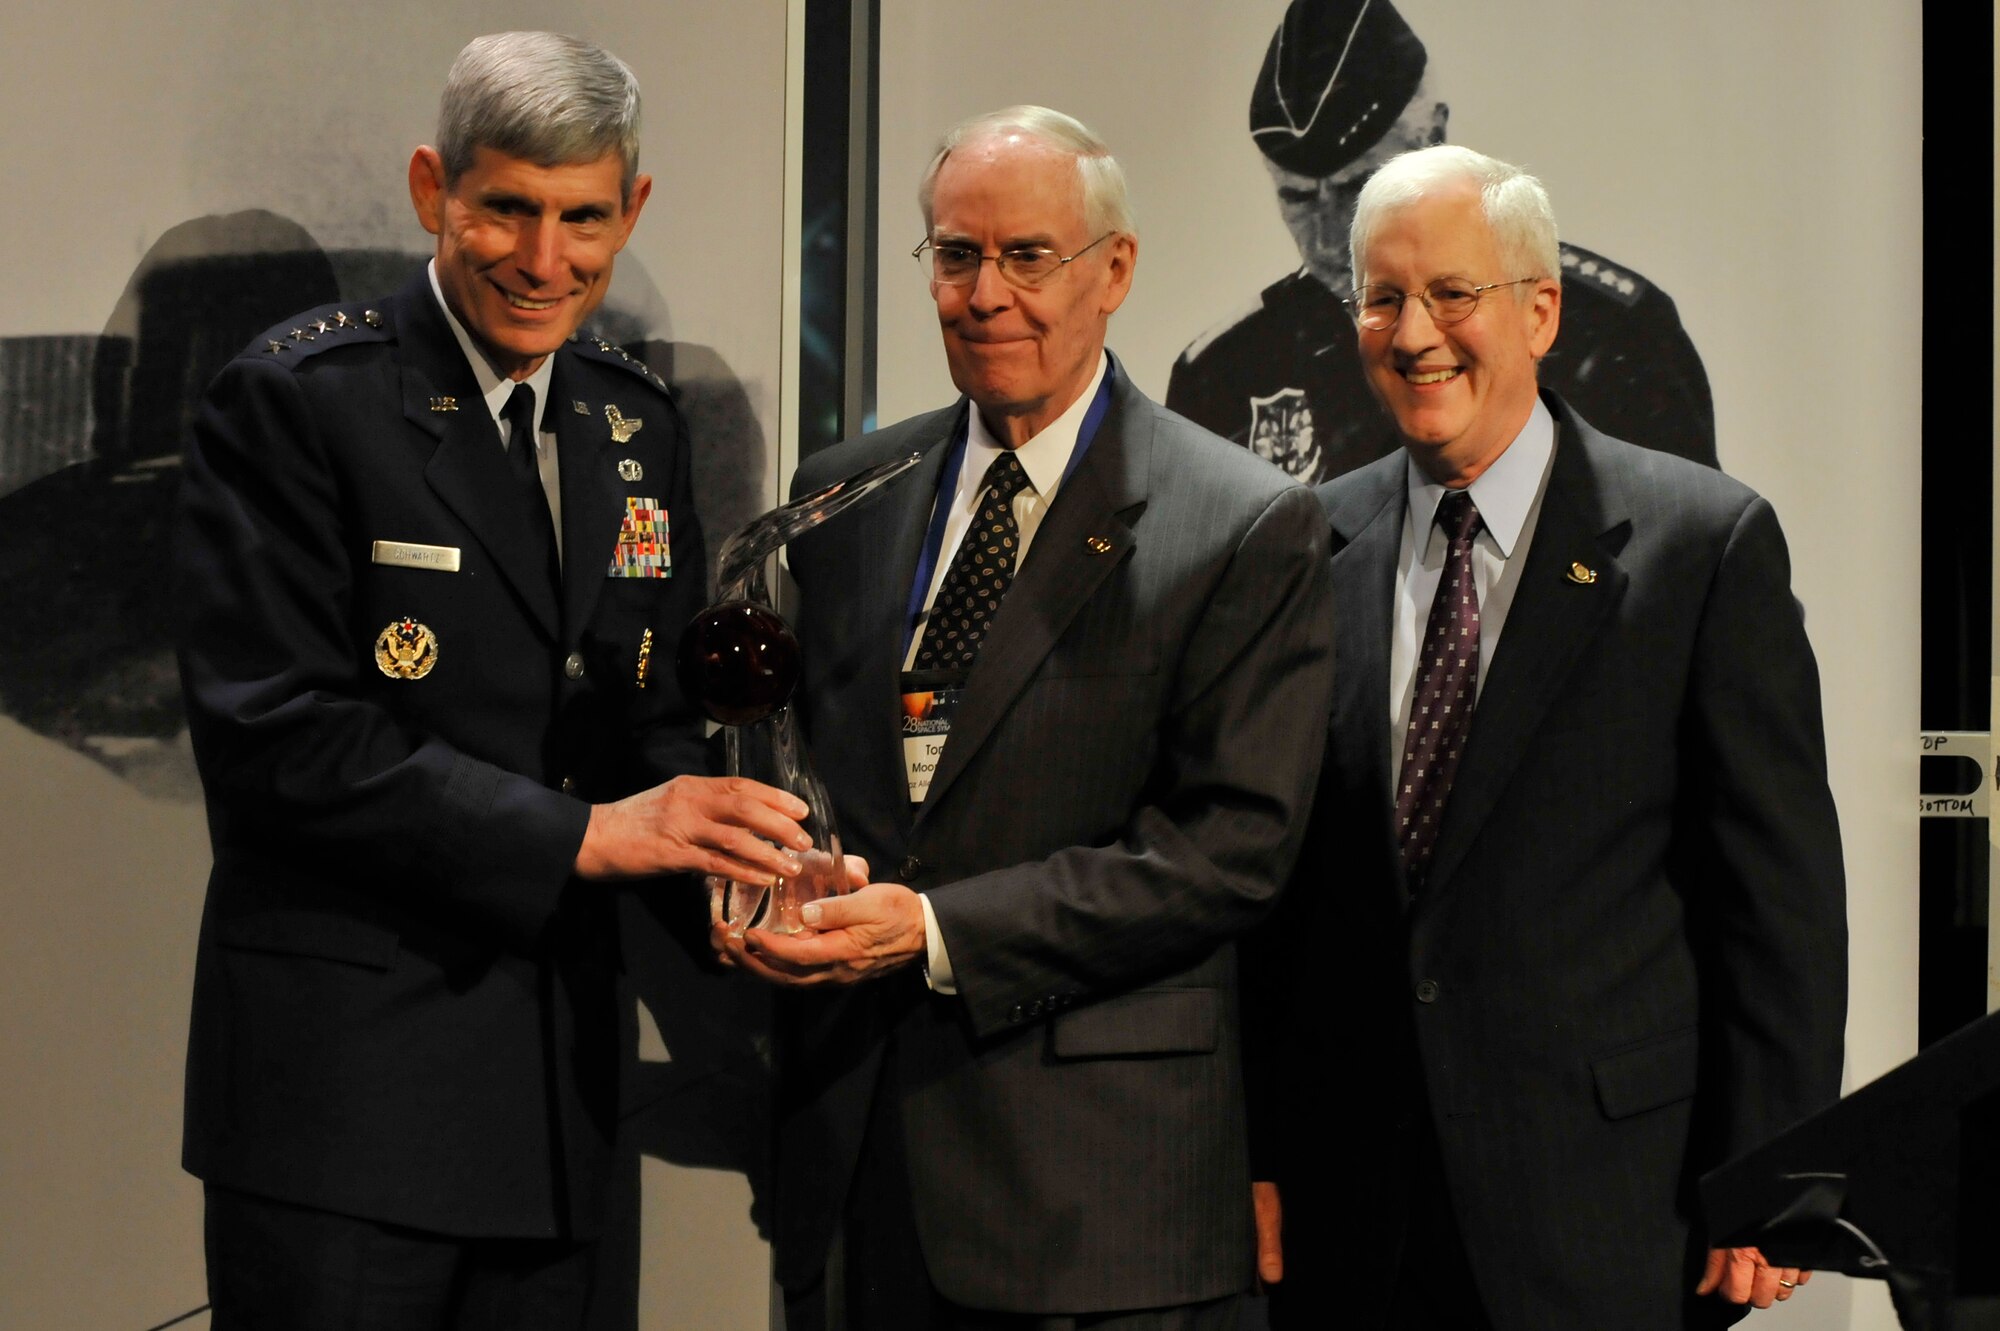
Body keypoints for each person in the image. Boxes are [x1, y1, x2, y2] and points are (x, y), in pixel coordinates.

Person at [173, 31, 811, 1329]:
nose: (543, 260)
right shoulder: (299, 401)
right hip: (343, 1115)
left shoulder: (636, 424)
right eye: (507, 209)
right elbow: (278, 737)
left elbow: (646, 719)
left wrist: (743, 867)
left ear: (631, 210)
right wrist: (587, 833)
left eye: (583, 218)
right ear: (432, 191)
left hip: (564, 1111)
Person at [715, 107, 1334, 1329]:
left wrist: (933, 927)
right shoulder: (837, 497)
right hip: (856, 1172)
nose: (985, 293)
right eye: (955, 256)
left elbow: (1230, 850)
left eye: (1027, 256)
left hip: (1095, 1214)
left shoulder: (1238, 522)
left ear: (1114, 269)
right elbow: (827, 773)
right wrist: (766, 878)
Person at [1246, 144, 1847, 1330]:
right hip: (1351, 1217)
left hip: (1609, 1211)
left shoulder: (1696, 545)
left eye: (1450, 293)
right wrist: (1254, 1142)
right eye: (1380, 297)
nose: (1412, 331)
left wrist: (1770, 1178)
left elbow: (1774, 901)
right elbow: (1271, 896)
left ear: (1540, 309)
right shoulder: (1303, 543)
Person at [1167, 0, 1717, 484]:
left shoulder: (1609, 334)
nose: (1328, 236)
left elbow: (1696, 564)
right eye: (1297, 198)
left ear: (1433, 138)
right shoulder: (1228, 371)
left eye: (1358, 189)